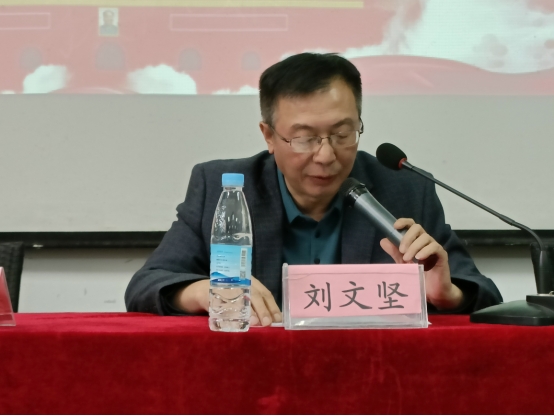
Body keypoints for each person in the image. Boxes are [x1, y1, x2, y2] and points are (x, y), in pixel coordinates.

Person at [125, 53, 502, 325]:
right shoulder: (222, 188)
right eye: (304, 138)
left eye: (342, 134)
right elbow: (148, 284)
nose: (326, 156)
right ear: (269, 136)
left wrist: (446, 294)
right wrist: (201, 291)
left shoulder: (403, 189)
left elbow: (483, 294)